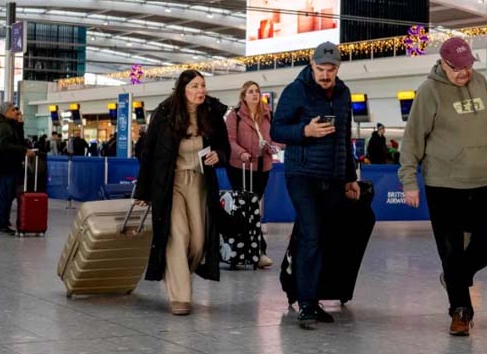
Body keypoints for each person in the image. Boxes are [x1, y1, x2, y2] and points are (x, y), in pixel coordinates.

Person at [399, 37, 487, 337]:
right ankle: (461, 312)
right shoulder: (429, 91)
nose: (463, 73)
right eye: (457, 68)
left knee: (486, 247)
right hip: (443, 184)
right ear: (443, 63)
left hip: (483, 181)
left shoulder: (481, 82)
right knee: (452, 251)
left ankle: (454, 276)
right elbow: (412, 140)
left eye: (468, 66)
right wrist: (409, 181)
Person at [271, 41, 360, 330]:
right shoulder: (296, 90)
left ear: (338, 68)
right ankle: (307, 303)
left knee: (323, 237)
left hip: (333, 177)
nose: (325, 74)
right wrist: (304, 131)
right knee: (312, 233)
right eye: (320, 69)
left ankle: (306, 291)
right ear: (312, 65)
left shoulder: (344, 93)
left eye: (330, 69)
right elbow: (276, 130)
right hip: (302, 174)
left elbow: (344, 137)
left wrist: (349, 178)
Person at [132, 70, 230, 316]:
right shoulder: (164, 115)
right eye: (195, 86)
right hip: (169, 184)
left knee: (198, 241)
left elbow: (224, 147)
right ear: (183, 89)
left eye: (203, 85)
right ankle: (180, 296)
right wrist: (143, 192)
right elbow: (148, 152)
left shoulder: (213, 114)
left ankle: (176, 273)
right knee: (178, 234)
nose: (201, 90)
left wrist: (219, 155)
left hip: (200, 183)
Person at [225, 80, 279, 269]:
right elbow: (229, 140)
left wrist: (274, 148)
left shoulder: (269, 115)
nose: (255, 94)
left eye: (257, 91)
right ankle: (248, 251)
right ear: (244, 95)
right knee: (243, 210)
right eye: (250, 91)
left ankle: (253, 251)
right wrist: (242, 153)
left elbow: (278, 137)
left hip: (262, 167)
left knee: (253, 209)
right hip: (239, 167)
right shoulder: (235, 116)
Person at [0, 102, 35, 235]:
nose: (17, 112)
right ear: (7, 112)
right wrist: (24, 151)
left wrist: (20, 123)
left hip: (9, 166)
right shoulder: (3, 127)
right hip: (5, 167)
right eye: (14, 110)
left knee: (8, 195)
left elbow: (18, 141)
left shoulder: (9, 125)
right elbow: (6, 146)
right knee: (6, 196)